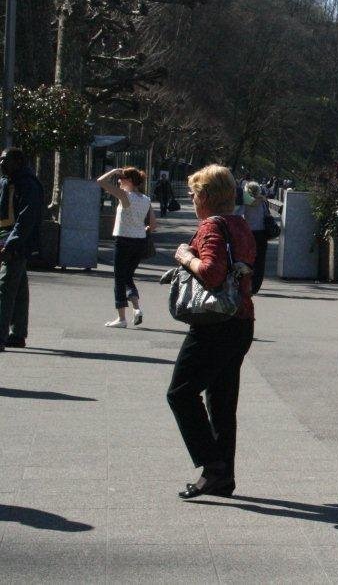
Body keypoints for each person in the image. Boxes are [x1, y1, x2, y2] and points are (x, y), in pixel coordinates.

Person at [167, 165, 257, 500]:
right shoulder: (241, 225)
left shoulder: (210, 227)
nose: (191, 199)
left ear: (205, 196)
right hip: (241, 320)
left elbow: (212, 272)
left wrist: (185, 256)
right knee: (221, 400)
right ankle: (222, 477)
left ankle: (213, 465)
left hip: (213, 324)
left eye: (193, 193)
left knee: (180, 393)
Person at [97, 166, 155, 328]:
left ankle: (121, 318)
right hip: (140, 242)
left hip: (124, 240)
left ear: (129, 181)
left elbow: (100, 182)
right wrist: (141, 229)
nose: (119, 181)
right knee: (128, 276)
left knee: (119, 278)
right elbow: (153, 224)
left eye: (121, 178)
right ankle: (137, 309)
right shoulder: (146, 199)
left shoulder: (125, 196)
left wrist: (113, 171)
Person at [0, 148, 43, 350]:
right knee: (17, 289)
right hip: (5, 236)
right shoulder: (6, 182)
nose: (1, 164)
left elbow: (27, 217)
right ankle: (17, 334)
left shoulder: (28, 184)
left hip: (17, 242)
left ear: (18, 161)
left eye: (5, 160)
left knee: (5, 287)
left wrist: (12, 243)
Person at [241, 181, 269, 294]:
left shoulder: (246, 201)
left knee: (247, 259)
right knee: (260, 260)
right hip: (261, 233)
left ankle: (247, 283)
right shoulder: (263, 201)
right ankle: (256, 286)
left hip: (247, 233)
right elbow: (267, 215)